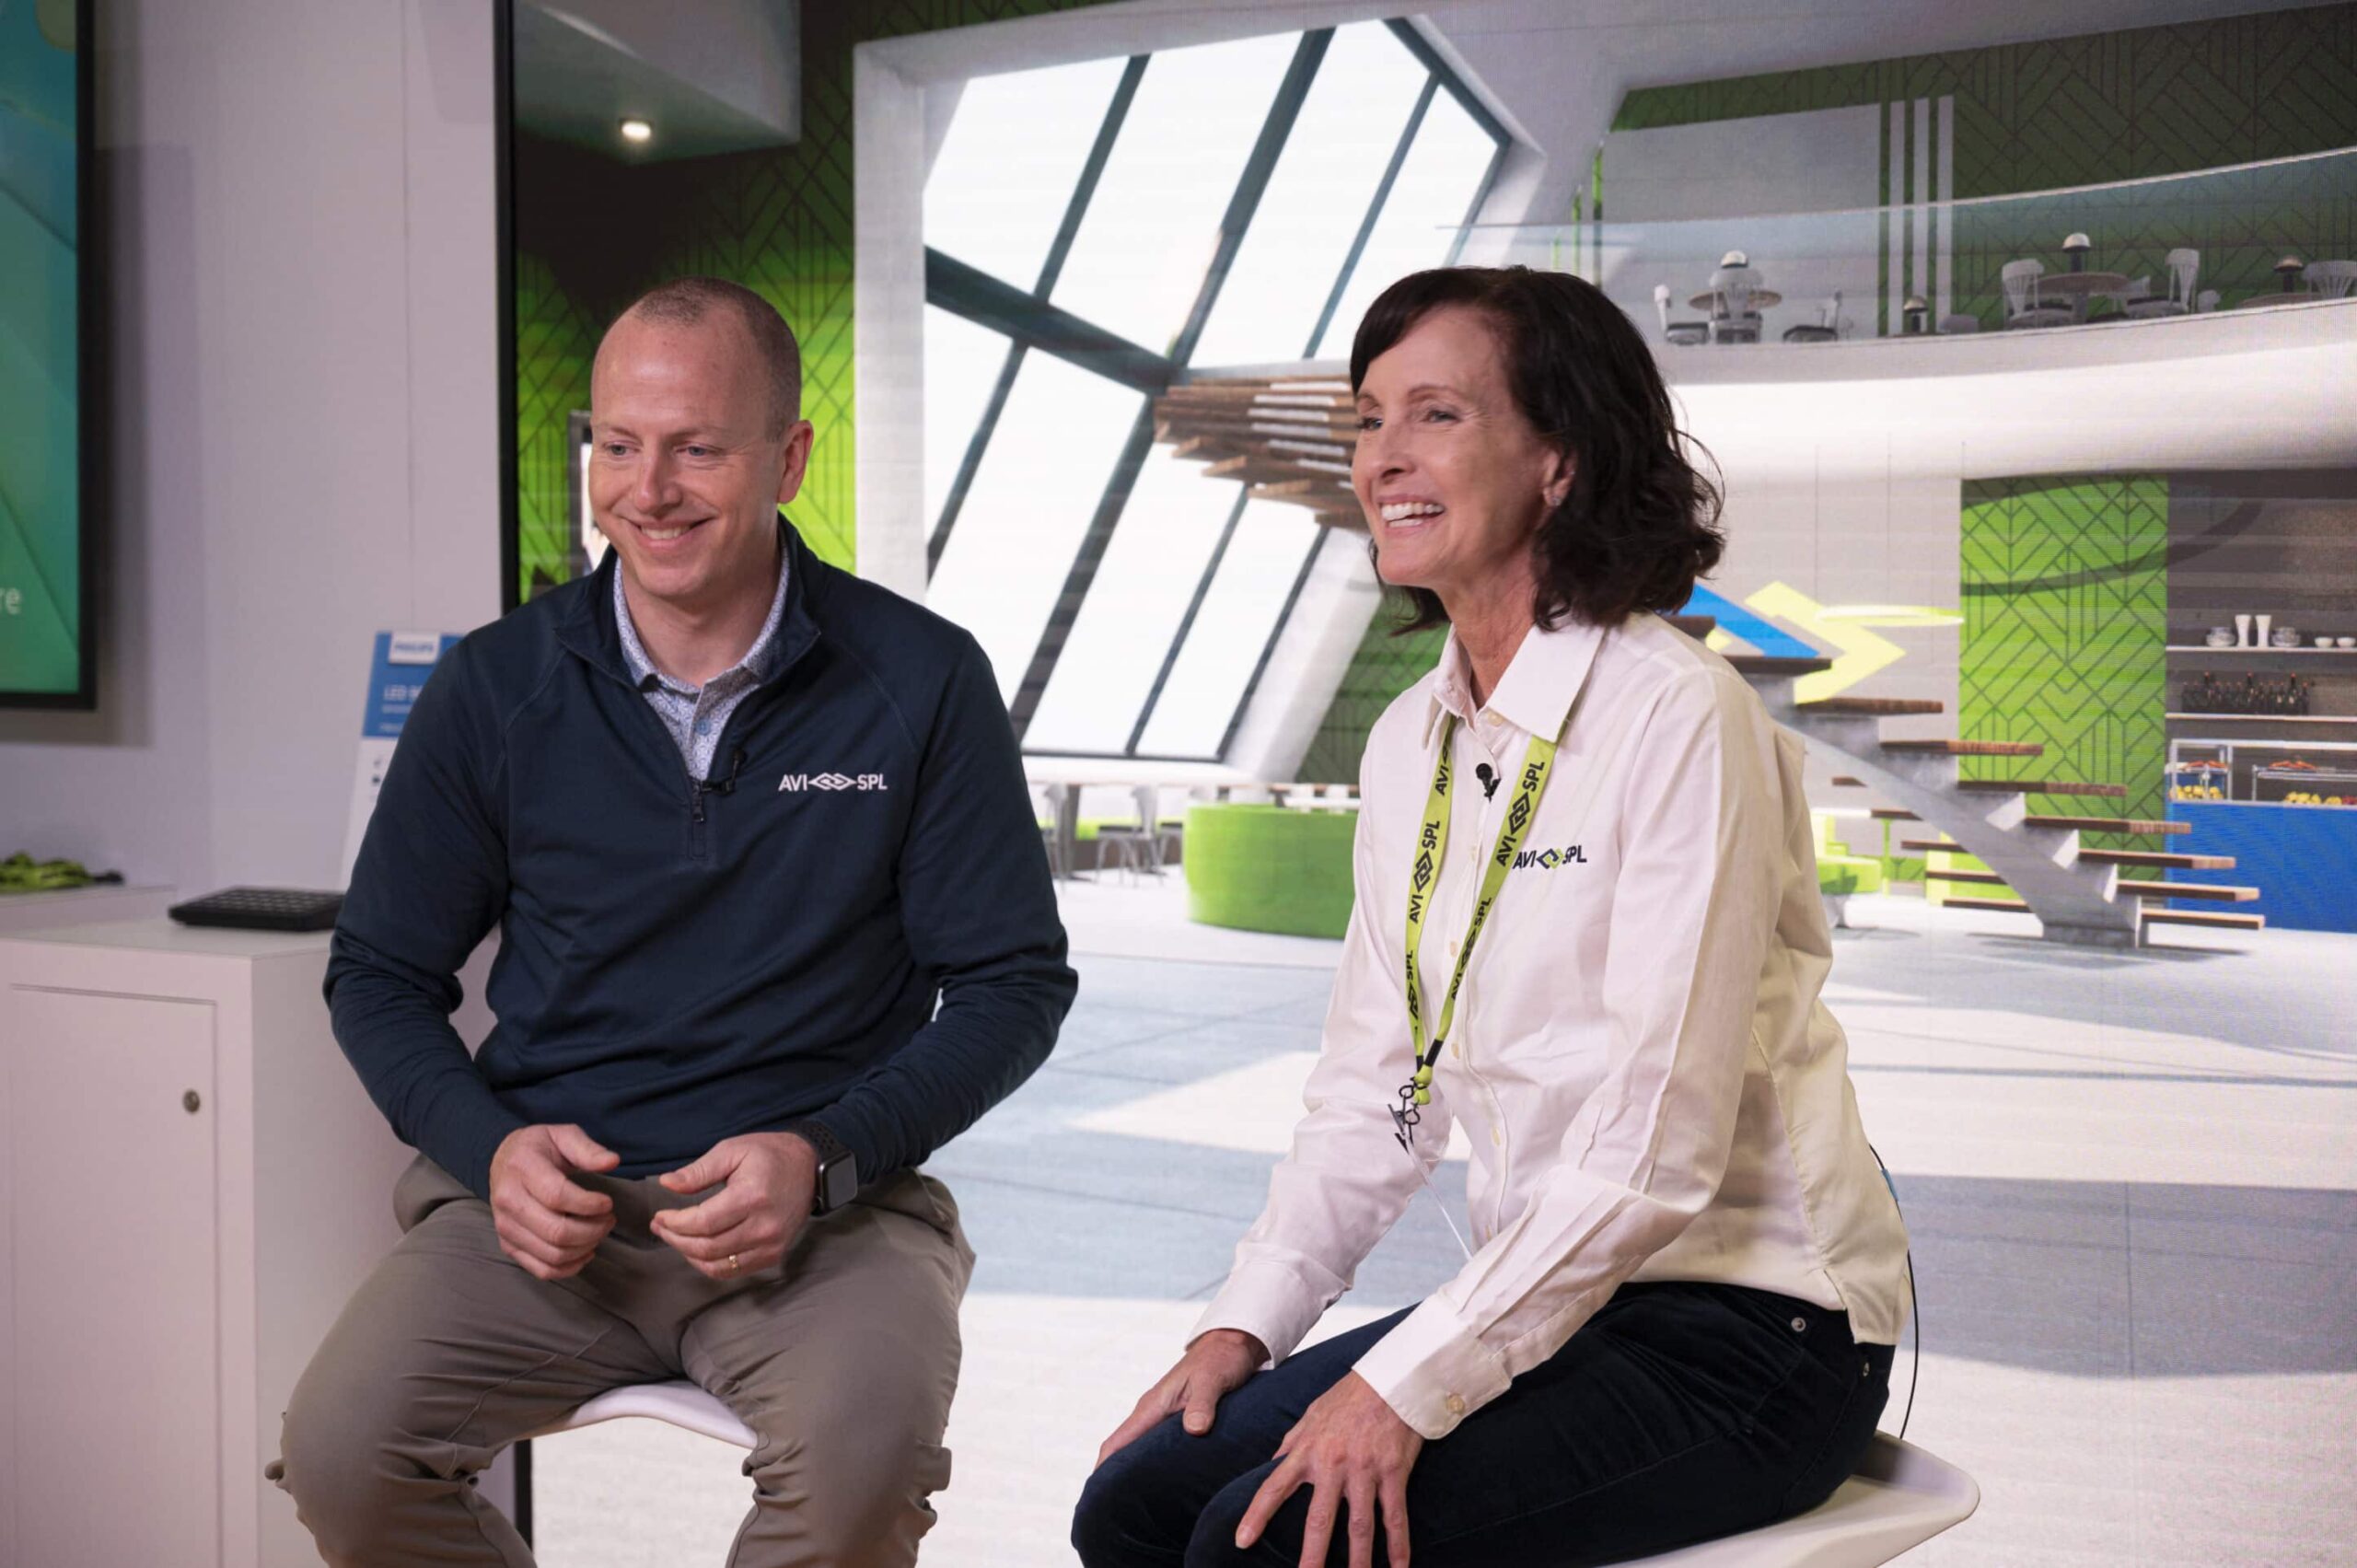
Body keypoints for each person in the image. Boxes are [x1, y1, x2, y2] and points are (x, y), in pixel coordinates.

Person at [1074, 266, 1910, 1568]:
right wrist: (1243, 1327)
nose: (1383, 457)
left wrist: (1411, 1386)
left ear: (1560, 460)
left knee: (1257, 1550)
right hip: (1558, 1302)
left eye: (1437, 416)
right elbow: (1375, 1090)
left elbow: (1654, 1147)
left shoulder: (1675, 717)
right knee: (1132, 1505)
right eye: (1368, 419)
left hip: (1749, 1331)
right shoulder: (1415, 738)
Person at [274, 276, 1075, 1568]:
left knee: (860, 1473)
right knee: (341, 1453)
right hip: (544, 1222)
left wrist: (825, 1156)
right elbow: (376, 973)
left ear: (788, 456)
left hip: (828, 1224)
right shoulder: (495, 687)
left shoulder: (921, 681)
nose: (649, 490)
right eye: (619, 444)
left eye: (697, 446)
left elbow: (1012, 985)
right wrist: (491, 1154)